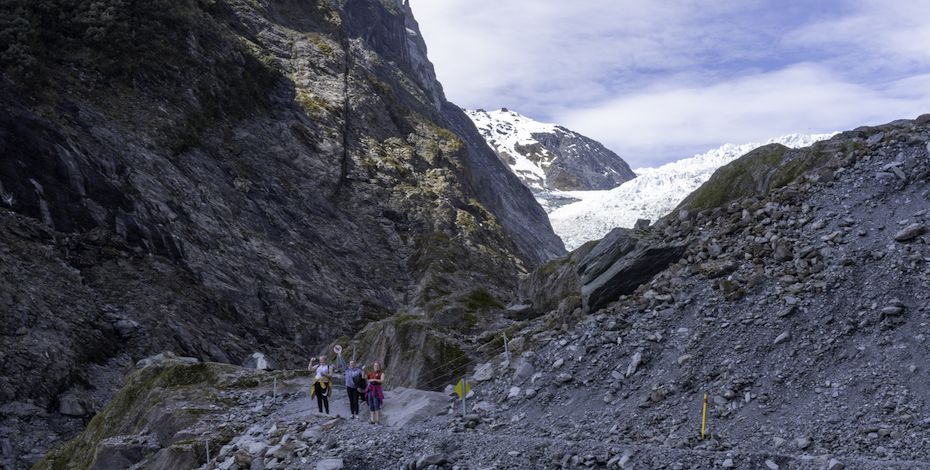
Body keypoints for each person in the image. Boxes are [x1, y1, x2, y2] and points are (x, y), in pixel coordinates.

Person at [336, 351, 364, 419]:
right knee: (351, 401)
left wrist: (364, 370)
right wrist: (340, 356)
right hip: (349, 387)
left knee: (356, 400)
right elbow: (343, 363)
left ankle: (357, 414)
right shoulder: (347, 370)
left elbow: (362, 378)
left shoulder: (358, 371)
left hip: (356, 388)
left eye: (353, 363)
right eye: (351, 363)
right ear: (349, 364)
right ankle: (352, 413)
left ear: (355, 364)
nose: (352, 364)